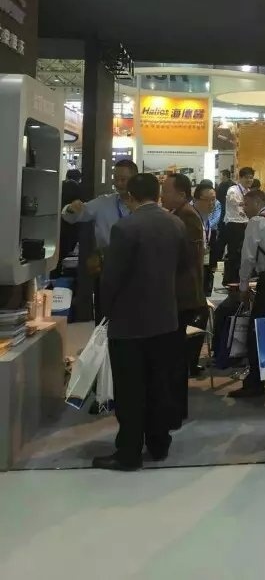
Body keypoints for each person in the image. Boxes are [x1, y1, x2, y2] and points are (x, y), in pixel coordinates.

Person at [92, 173, 189, 472]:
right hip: (165, 318)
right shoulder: (176, 224)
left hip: (129, 323)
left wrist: (105, 312)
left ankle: (129, 452)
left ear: (130, 197)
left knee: (130, 390)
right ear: (157, 194)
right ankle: (159, 444)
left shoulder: (125, 227)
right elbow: (184, 267)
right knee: (159, 384)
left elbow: (112, 278)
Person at [62, 158, 138, 323]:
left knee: (132, 319)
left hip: (136, 269)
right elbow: (73, 216)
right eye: (116, 178)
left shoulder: (144, 206)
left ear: (135, 180)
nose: (118, 183)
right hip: (107, 268)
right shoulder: (104, 203)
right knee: (104, 319)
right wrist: (72, 208)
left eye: (123, 179)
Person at [228, 190, 265, 399]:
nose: (244, 209)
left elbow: (248, 257)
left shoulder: (257, 222)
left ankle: (254, 382)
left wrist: (243, 286)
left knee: (255, 331)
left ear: (258, 202)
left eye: (246, 204)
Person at [161, 173, 206, 422]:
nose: (162, 195)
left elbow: (186, 256)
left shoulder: (186, 216)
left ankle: (176, 410)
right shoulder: (178, 214)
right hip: (180, 294)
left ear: (181, 194)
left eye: (166, 191)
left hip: (183, 295)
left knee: (176, 357)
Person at [222, 166, 255, 287]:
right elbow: (235, 202)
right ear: (240, 178)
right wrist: (247, 203)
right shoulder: (233, 190)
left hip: (246, 224)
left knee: (244, 253)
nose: (249, 180)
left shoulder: (249, 191)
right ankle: (230, 280)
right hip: (234, 224)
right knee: (234, 254)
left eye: (251, 178)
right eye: (247, 178)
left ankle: (241, 279)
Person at [193, 182, 220, 297]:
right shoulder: (191, 217)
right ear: (195, 200)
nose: (211, 203)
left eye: (213, 199)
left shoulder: (206, 216)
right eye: (207, 200)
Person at [215, 169, 234, 271]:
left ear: (225, 176)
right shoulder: (234, 186)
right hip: (233, 219)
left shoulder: (221, 186)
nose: (220, 177)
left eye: (221, 175)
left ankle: (218, 265)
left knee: (221, 242)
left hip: (223, 214)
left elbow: (218, 200)